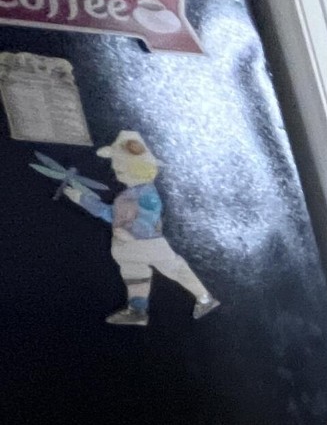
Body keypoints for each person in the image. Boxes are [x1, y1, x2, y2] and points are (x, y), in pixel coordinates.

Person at [61, 129, 219, 326]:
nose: (116, 170)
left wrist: (83, 199)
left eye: (119, 167)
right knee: (135, 275)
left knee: (173, 268)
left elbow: (113, 215)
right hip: (131, 247)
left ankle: (204, 299)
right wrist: (84, 199)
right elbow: (117, 215)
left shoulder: (139, 196)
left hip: (143, 244)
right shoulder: (137, 193)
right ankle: (137, 310)